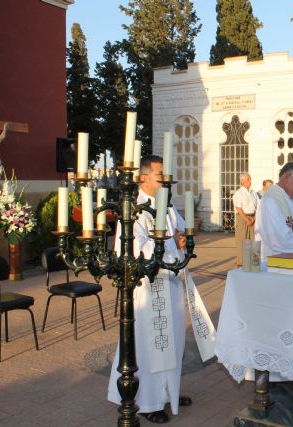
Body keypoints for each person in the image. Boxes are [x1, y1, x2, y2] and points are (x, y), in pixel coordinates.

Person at [108, 155, 191, 424]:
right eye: (159, 174)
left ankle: (168, 392)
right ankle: (146, 401)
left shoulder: (166, 207)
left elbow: (178, 234)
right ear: (143, 177)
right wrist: (169, 244)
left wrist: (180, 239)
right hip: (148, 287)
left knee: (173, 339)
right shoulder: (133, 210)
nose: (165, 179)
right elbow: (133, 249)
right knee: (150, 342)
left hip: (170, 282)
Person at [232, 173, 259, 267]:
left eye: (250, 179)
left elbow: (257, 207)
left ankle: (254, 262)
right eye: (248, 179)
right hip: (242, 218)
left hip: (253, 217)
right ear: (243, 181)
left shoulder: (253, 193)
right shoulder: (238, 193)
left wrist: (254, 218)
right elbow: (238, 208)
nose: (250, 181)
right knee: (242, 240)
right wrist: (247, 220)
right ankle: (242, 263)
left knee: (254, 240)